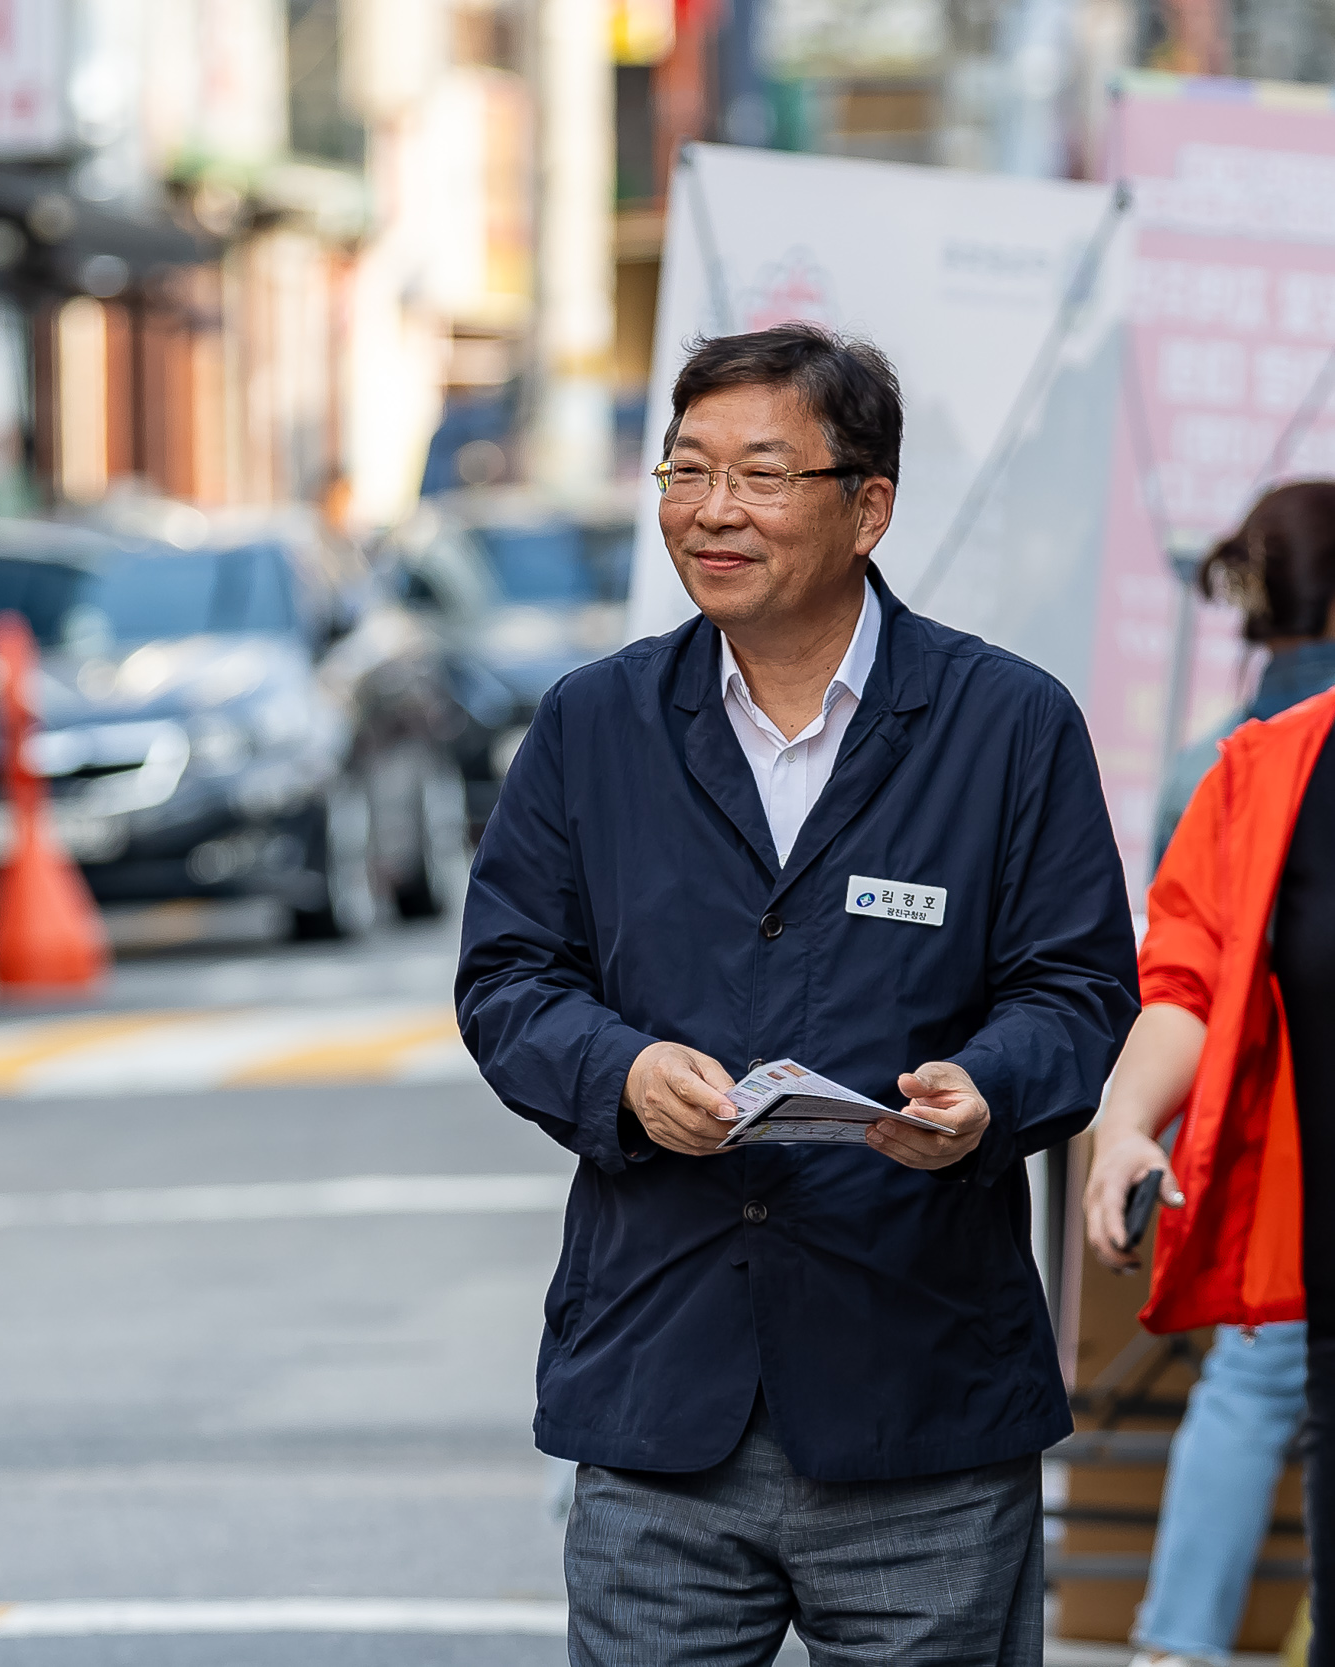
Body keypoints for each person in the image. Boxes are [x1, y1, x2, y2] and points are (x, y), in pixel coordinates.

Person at [457, 322, 1139, 1665]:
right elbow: (511, 973)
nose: (714, 510)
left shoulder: (1006, 725)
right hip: (659, 1389)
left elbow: (1076, 983)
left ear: (868, 504)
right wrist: (620, 1071)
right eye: (687, 469)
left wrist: (989, 1088)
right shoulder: (595, 725)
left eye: (764, 474)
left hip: (921, 1396)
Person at [1086, 485, 1335, 1667]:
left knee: (1242, 1389)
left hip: (1285, 1221)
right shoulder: (1258, 768)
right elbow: (1184, 967)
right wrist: (1127, 1119)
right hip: (1301, 1229)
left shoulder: (1208, 752)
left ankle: (1175, 1644)